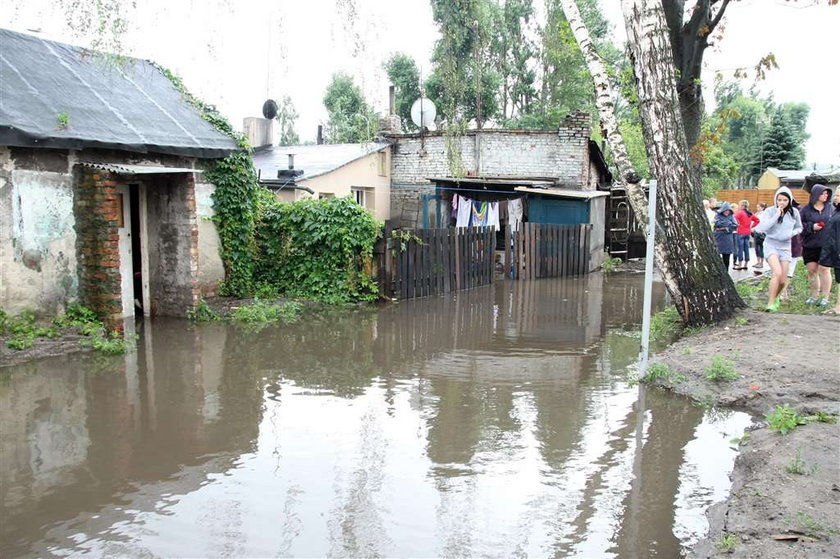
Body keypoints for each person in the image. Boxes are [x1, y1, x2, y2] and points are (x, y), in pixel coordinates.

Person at [753, 186, 803, 312]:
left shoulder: (794, 212)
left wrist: (791, 234)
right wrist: (776, 215)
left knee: (783, 279)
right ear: (776, 200)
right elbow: (761, 228)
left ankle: (776, 297)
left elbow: (799, 227)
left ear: (789, 201)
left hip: (786, 246)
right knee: (777, 272)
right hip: (771, 244)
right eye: (779, 200)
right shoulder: (770, 211)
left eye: (785, 200)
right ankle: (770, 303)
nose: (782, 203)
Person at [798, 184, 835, 306]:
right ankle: (814, 296)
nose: (826, 195)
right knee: (812, 270)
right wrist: (811, 227)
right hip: (810, 245)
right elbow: (799, 227)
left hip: (826, 245)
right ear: (815, 195)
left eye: (827, 194)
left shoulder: (831, 208)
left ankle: (825, 297)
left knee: (824, 269)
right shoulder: (805, 210)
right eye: (823, 193)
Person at [817, 188, 840, 315]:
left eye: (838, 195)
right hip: (833, 249)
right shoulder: (836, 211)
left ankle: (838, 308)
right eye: (835, 195)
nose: (835, 198)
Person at [734, 199, 759, 270]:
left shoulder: (740, 212)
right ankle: (746, 264)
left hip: (740, 232)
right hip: (748, 232)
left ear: (742, 205)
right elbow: (757, 220)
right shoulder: (750, 213)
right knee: (746, 248)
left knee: (740, 249)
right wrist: (751, 227)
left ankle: (740, 265)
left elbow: (733, 218)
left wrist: (737, 225)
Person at [714, 202, 738, 270]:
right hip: (718, 238)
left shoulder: (731, 216)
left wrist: (726, 227)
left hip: (728, 239)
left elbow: (734, 226)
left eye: (728, 210)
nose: (727, 212)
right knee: (717, 256)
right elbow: (716, 224)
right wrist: (727, 223)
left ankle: (726, 271)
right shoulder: (718, 215)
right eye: (725, 210)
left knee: (726, 257)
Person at [752, 202, 768, 272]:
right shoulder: (756, 214)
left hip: (761, 232)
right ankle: (758, 261)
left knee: (761, 248)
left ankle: (761, 262)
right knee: (756, 247)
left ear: (762, 208)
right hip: (755, 231)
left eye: (759, 207)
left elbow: (762, 223)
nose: (757, 209)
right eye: (757, 207)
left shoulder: (764, 214)